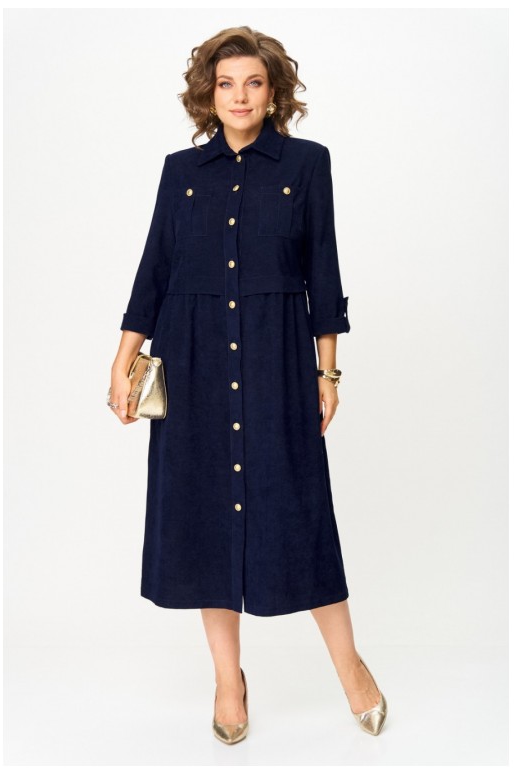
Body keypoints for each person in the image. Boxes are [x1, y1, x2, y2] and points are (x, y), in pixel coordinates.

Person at [108, 25, 388, 742]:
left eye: (253, 83)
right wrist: (122, 359)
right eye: (226, 84)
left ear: (273, 93)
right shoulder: (181, 171)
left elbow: (322, 269)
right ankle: (227, 679)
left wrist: (327, 369)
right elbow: (155, 268)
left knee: (299, 508)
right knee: (204, 515)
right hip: (193, 357)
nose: (239, 97)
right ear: (208, 94)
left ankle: (350, 664)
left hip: (276, 357)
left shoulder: (307, 163)